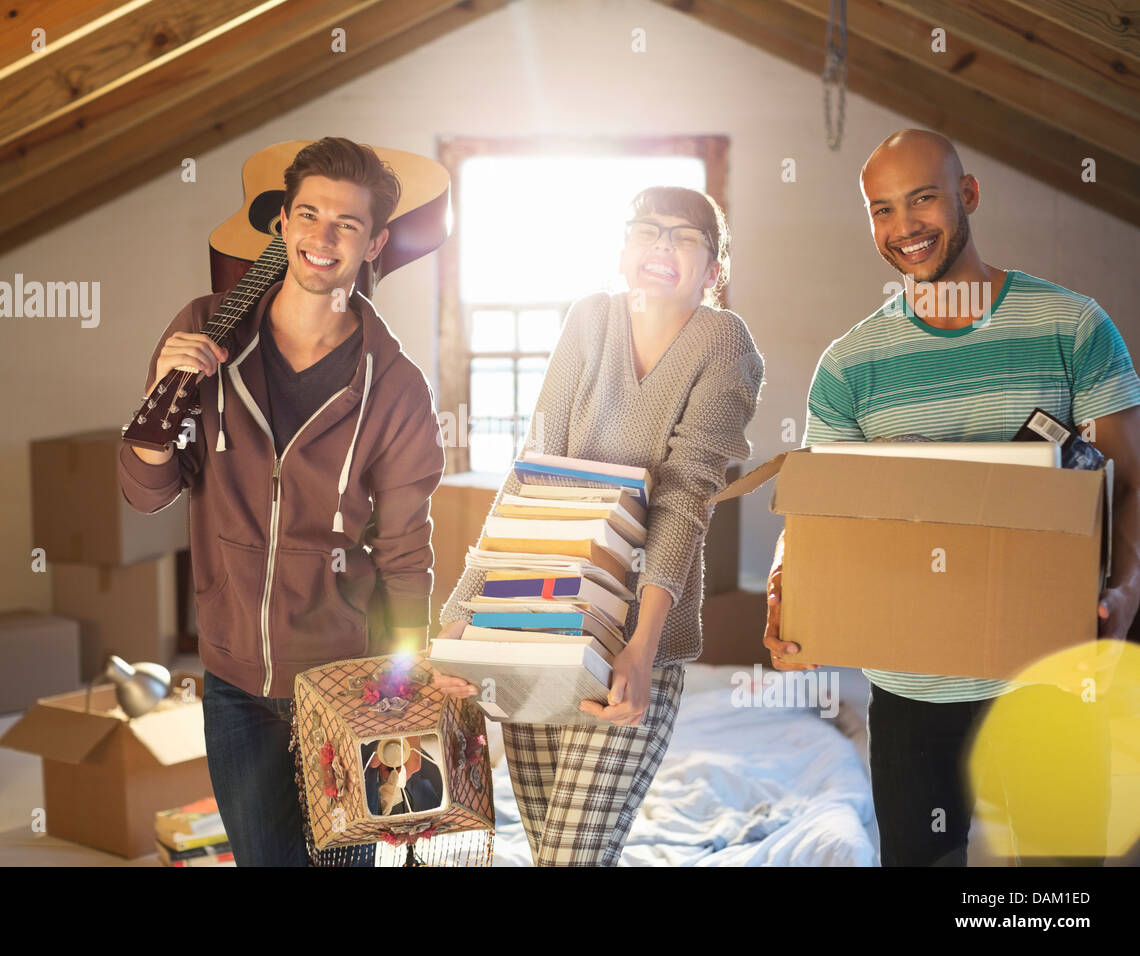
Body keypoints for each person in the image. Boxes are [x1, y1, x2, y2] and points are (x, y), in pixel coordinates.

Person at [763, 128, 1140, 866]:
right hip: (911, 688)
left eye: (923, 199)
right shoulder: (850, 365)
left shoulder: (1072, 326)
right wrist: (789, 590)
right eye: (881, 210)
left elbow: (1129, 488)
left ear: (967, 195)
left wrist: (1127, 593)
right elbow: (821, 516)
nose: (903, 227)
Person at [117, 137, 445, 866]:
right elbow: (146, 492)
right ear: (283, 226)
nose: (321, 238)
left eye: (347, 224)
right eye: (308, 214)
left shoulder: (395, 388)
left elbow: (403, 550)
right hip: (233, 679)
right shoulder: (205, 331)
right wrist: (158, 401)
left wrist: (406, 675)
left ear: (375, 243)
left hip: (344, 679)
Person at [430, 186, 765, 866]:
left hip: (632, 639)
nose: (663, 245)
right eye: (648, 230)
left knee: (571, 856)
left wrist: (641, 649)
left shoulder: (724, 343)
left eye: (685, 237)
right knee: (552, 849)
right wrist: (464, 609)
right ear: (622, 250)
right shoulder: (589, 320)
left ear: (714, 270)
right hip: (535, 619)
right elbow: (532, 471)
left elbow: (684, 498)